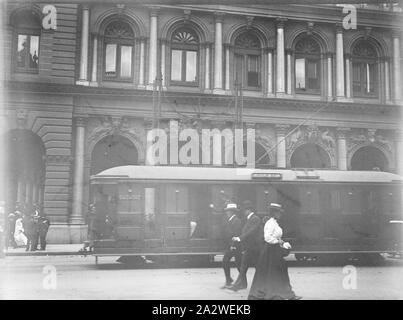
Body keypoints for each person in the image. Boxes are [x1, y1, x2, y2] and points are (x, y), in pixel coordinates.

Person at [247, 203, 301, 300]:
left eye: (280, 212)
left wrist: (282, 242)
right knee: (276, 271)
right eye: (278, 212)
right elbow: (267, 238)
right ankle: (281, 293)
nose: (280, 214)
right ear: (274, 213)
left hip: (274, 250)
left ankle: (285, 293)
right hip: (270, 251)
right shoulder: (270, 223)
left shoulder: (274, 222)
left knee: (279, 271)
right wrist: (279, 242)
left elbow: (275, 236)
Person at [228, 200, 262, 291]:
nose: (243, 212)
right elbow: (246, 231)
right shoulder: (250, 219)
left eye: (244, 210)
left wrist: (239, 238)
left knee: (258, 267)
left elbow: (250, 232)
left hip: (254, 247)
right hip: (249, 247)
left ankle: (262, 284)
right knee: (243, 267)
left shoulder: (255, 219)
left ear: (248, 210)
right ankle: (239, 285)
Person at [221, 202, 243, 289]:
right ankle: (230, 280)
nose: (227, 212)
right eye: (227, 211)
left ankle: (237, 281)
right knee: (235, 263)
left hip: (235, 245)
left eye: (228, 211)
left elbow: (236, 234)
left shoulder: (236, 220)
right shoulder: (230, 220)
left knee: (237, 263)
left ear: (232, 212)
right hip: (231, 245)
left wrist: (233, 245)